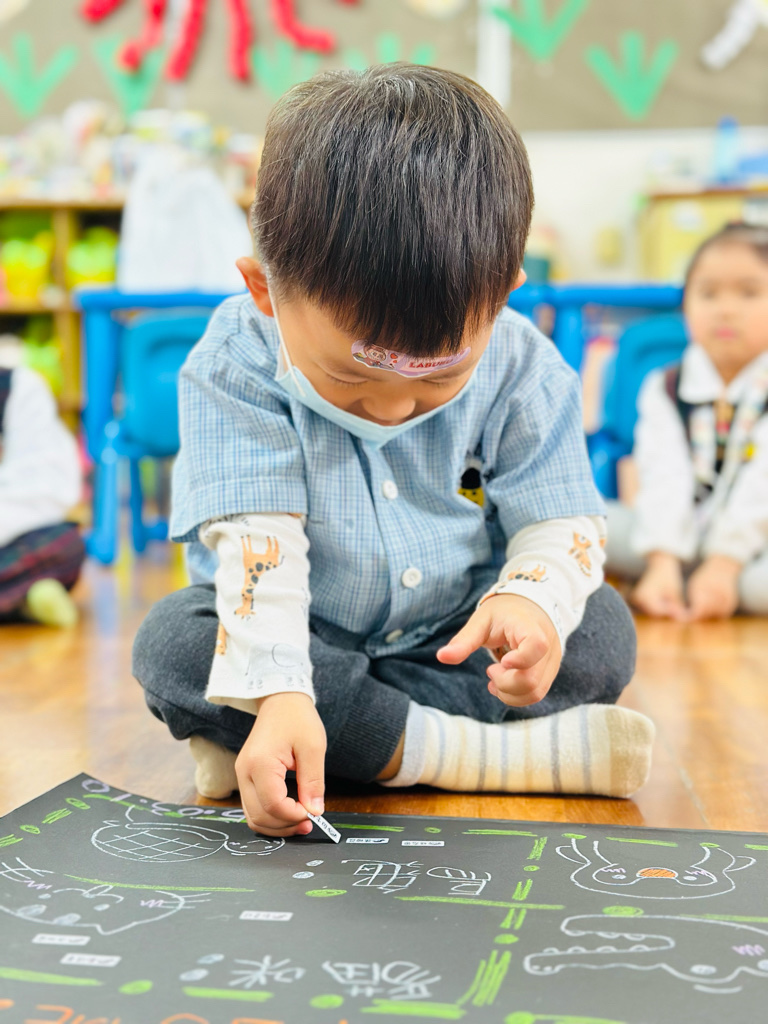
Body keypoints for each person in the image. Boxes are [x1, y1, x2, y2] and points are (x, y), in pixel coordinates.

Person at [133, 64, 654, 838]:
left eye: (439, 376)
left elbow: (561, 520)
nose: (393, 407)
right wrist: (279, 692)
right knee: (175, 642)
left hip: (451, 635)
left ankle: (328, 746)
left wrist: (531, 602)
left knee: (601, 628)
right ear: (265, 291)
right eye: (350, 377)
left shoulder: (525, 367)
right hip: (302, 636)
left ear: (502, 295)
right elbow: (257, 546)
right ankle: (483, 754)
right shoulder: (233, 363)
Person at [606, 222, 768, 621]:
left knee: (757, 584)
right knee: (584, 519)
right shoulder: (665, 386)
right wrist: (662, 560)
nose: (725, 309)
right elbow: (663, 475)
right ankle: (670, 580)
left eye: (749, 293)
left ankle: (714, 585)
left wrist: (725, 564)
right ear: (686, 307)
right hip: (675, 540)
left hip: (754, 551)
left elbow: (760, 488)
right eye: (708, 293)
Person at [0, 345, 84, 627]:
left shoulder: (19, 388)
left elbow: (46, 492)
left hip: (9, 534)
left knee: (65, 545)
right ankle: (23, 599)